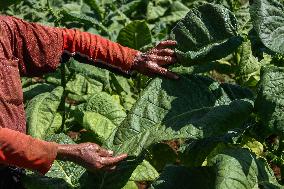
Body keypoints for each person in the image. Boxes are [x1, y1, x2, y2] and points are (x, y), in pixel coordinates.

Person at [0, 15, 178, 187]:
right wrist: (68, 152)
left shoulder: (5, 30)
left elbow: (67, 41)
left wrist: (135, 59)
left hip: (14, 160)